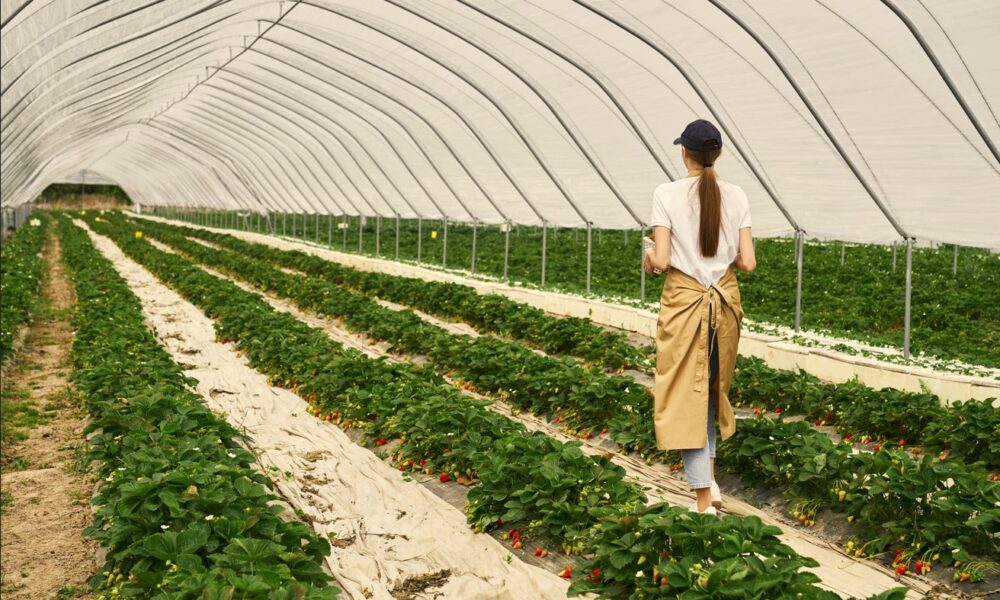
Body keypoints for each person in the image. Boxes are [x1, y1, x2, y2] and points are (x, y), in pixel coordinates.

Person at [643, 119, 756, 515]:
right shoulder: (738, 195)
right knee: (710, 390)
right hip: (724, 303)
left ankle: (703, 500)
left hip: (685, 302)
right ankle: (711, 481)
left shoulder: (666, 194)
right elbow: (748, 262)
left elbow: (659, 260)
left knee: (684, 395)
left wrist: (648, 258)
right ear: (718, 154)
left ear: (683, 153)